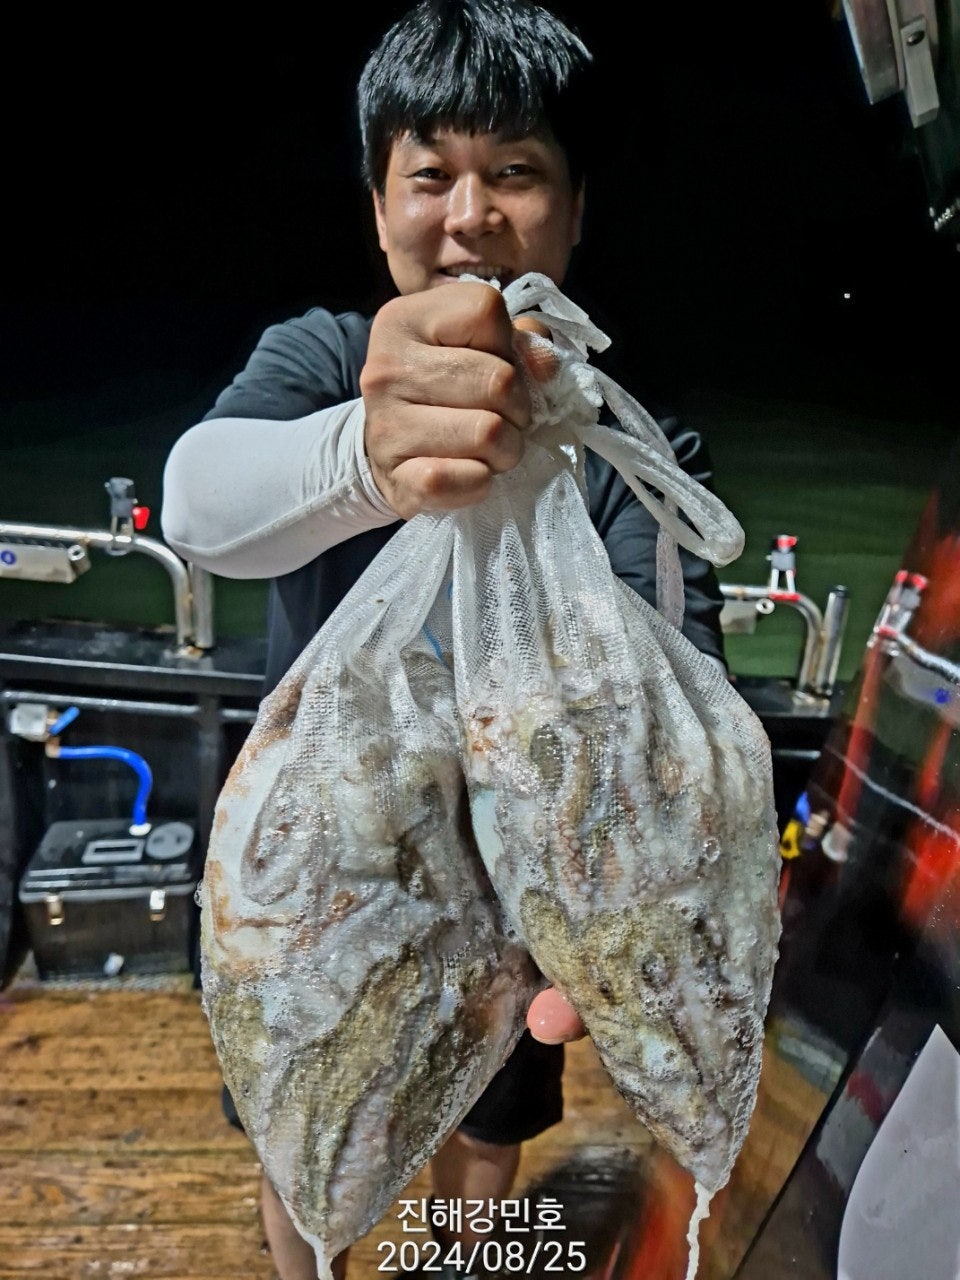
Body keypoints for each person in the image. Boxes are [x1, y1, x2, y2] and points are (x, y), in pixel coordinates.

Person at [161, 1, 727, 1276]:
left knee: (484, 1131)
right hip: (314, 891)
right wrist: (364, 454)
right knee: (303, 1137)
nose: (470, 215)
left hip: (506, 918)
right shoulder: (324, 362)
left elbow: (673, 697)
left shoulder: (627, 450)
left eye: (515, 171)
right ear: (380, 210)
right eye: (431, 177)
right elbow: (199, 502)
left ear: (574, 210)